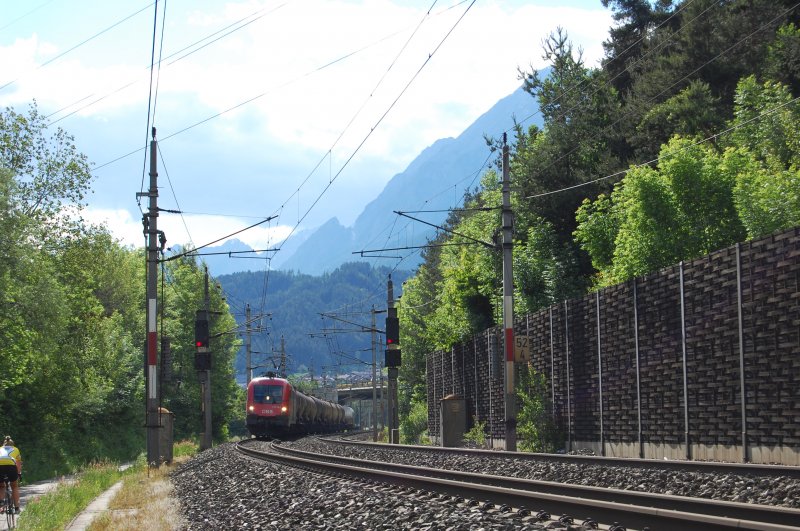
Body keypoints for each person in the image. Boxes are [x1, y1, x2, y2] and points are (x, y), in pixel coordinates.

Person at [0, 436, 21, 514]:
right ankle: (16, 508)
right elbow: (18, 464)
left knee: (1, 486)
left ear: (3, 444)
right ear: (12, 444)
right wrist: (19, 473)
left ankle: (1, 505)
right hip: (11, 467)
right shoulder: (15, 449)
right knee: (14, 486)